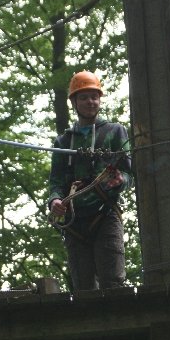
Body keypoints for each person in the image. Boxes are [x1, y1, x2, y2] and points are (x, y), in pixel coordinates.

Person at [48, 71, 133, 291]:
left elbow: (130, 173)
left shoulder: (115, 132)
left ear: (100, 99)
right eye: (84, 97)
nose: (90, 102)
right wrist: (55, 200)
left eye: (94, 97)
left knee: (113, 283)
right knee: (83, 288)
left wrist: (120, 180)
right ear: (74, 102)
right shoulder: (63, 141)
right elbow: (56, 181)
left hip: (105, 214)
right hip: (75, 222)